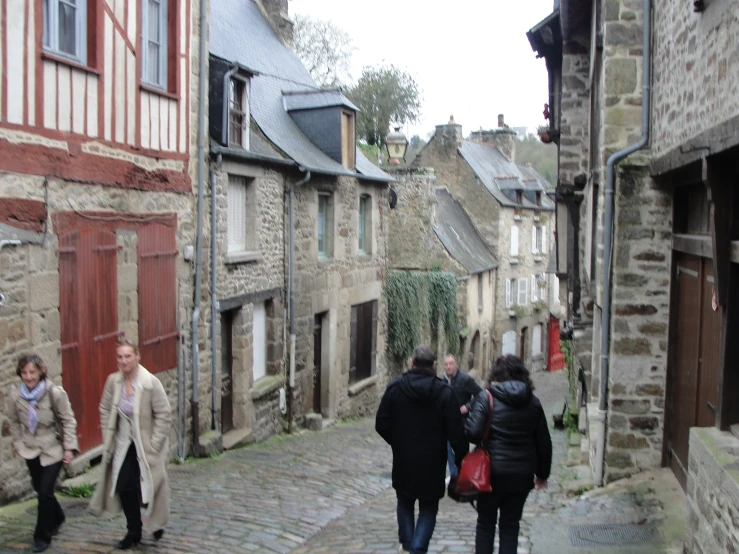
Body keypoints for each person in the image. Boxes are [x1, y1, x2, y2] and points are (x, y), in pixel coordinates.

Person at [376, 345, 467, 554]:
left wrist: (397, 441)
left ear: (411, 363)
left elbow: (381, 424)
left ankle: (408, 547)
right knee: (428, 507)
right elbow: (457, 433)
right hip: (433, 461)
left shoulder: (395, 388)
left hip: (404, 459)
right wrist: (461, 460)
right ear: (434, 366)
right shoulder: (445, 393)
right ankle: (416, 549)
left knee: (405, 502)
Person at [89, 338, 172, 549]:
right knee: (125, 486)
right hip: (124, 441)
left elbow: (164, 414)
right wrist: (109, 432)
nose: (124, 361)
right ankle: (133, 530)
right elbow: (105, 408)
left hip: (147, 442)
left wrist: (154, 444)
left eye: (128, 356)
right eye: (120, 356)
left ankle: (156, 522)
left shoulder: (150, 382)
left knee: (150, 485)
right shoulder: (113, 381)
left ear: (137, 356)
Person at [465, 355, 552, 554]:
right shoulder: (533, 402)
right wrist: (542, 475)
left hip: (491, 473)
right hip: (522, 474)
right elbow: (544, 443)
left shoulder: (486, 397)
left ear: (496, 374)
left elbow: (473, 433)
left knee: (486, 523)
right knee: (510, 525)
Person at [6, 354, 79, 552]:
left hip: (52, 448)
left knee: (45, 492)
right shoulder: (15, 395)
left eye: (32, 372)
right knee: (40, 488)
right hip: (30, 448)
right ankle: (58, 516)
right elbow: (12, 421)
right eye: (24, 372)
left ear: (40, 372)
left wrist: (69, 448)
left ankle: (42, 536)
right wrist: (18, 442)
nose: (28, 377)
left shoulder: (54, 393)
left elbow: (68, 420)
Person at [443, 354, 482, 480]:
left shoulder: (465, 379)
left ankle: (463, 473)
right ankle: (454, 475)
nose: (448, 367)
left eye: (451, 364)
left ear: (456, 365)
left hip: (462, 422)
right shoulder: (441, 381)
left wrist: (468, 406)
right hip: (446, 422)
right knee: (447, 448)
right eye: (446, 364)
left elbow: (481, 395)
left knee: (461, 451)